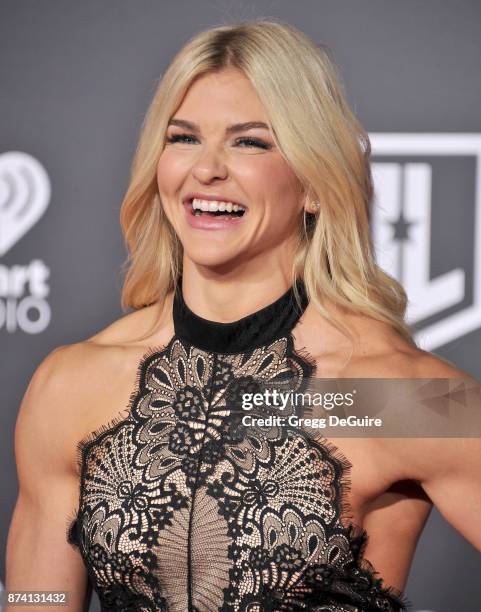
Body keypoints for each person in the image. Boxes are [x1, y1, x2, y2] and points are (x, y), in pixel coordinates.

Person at [5, 18, 481, 612]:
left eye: (249, 142)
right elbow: (35, 598)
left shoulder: (387, 394)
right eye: (182, 138)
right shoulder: (72, 383)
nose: (206, 169)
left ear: (313, 181)